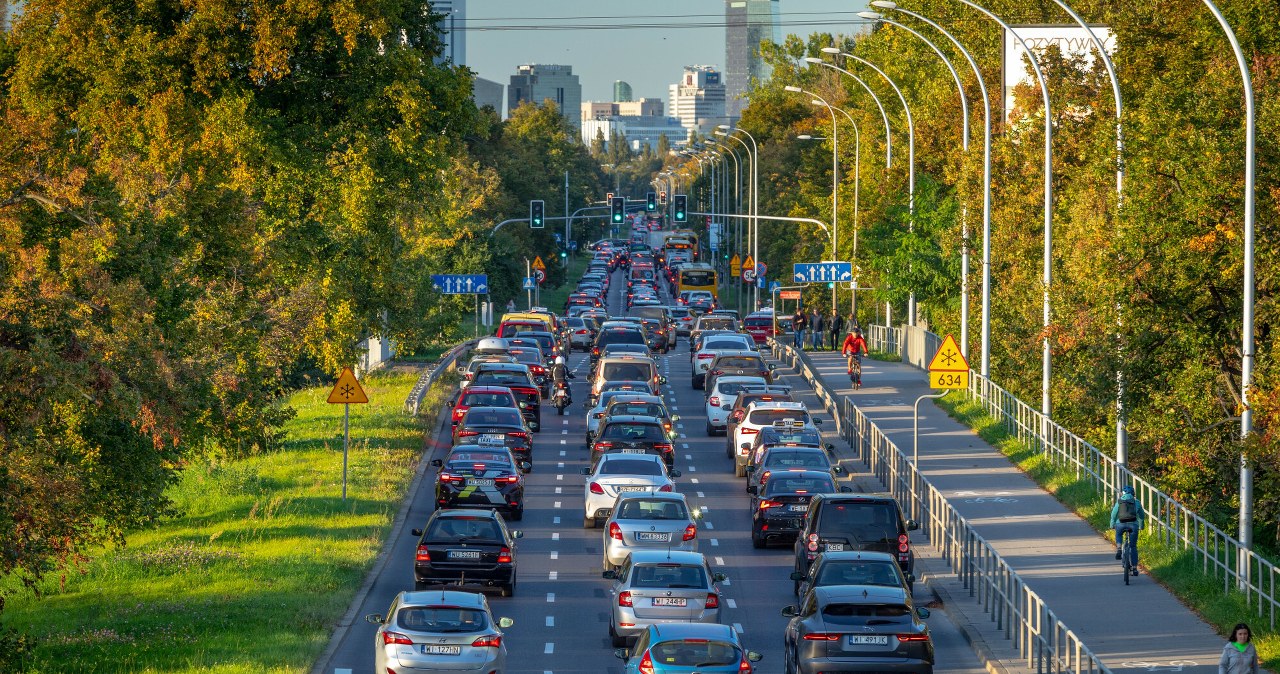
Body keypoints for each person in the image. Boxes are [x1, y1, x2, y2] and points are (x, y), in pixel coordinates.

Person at [1109, 485, 1145, 574]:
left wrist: (1112, 524)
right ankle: (1135, 568)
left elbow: (1113, 514)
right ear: (1133, 494)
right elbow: (1141, 516)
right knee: (1133, 546)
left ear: (1122, 493)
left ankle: (1119, 548)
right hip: (1133, 525)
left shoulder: (1119, 501)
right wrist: (1141, 526)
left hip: (1120, 524)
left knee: (1118, 533)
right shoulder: (1137, 502)